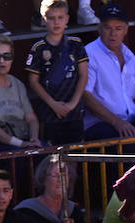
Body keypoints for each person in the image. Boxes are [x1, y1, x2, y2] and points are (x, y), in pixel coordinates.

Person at [83, 4, 135, 141]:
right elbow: (86, 95)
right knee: (128, 142)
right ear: (99, 28)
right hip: (101, 123)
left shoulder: (129, 55)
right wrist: (117, 122)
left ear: (126, 29)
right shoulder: (88, 54)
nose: (113, 33)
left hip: (131, 120)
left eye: (118, 28)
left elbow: (134, 93)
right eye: (108, 28)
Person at [25, 0, 88, 146]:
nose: (56, 22)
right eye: (51, 18)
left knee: (76, 155)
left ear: (67, 18)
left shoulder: (76, 44)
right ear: (43, 20)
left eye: (60, 17)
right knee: (53, 158)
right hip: (50, 113)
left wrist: (73, 103)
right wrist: (53, 104)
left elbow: (84, 75)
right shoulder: (38, 48)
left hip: (75, 111)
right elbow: (33, 81)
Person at [15, 153, 86, 223]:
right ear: (43, 179)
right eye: (55, 175)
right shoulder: (26, 212)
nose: (60, 180)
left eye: (64, 175)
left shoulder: (74, 210)